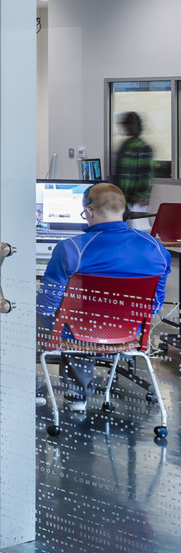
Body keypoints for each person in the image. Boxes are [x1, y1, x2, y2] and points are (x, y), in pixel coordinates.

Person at [36, 182, 170, 412]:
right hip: (129, 333)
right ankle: (75, 394)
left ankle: (38, 390)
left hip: (78, 333)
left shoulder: (71, 249)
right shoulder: (155, 248)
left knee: (5, 310)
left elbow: (46, 305)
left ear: (89, 211)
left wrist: (53, 321)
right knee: (78, 318)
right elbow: (155, 304)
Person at [113, 112, 155, 228]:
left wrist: (141, 195)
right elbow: (119, 172)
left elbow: (146, 174)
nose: (127, 128)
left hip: (135, 200)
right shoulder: (124, 145)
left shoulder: (144, 147)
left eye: (130, 124)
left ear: (137, 126)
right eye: (126, 125)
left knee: (137, 231)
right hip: (122, 198)